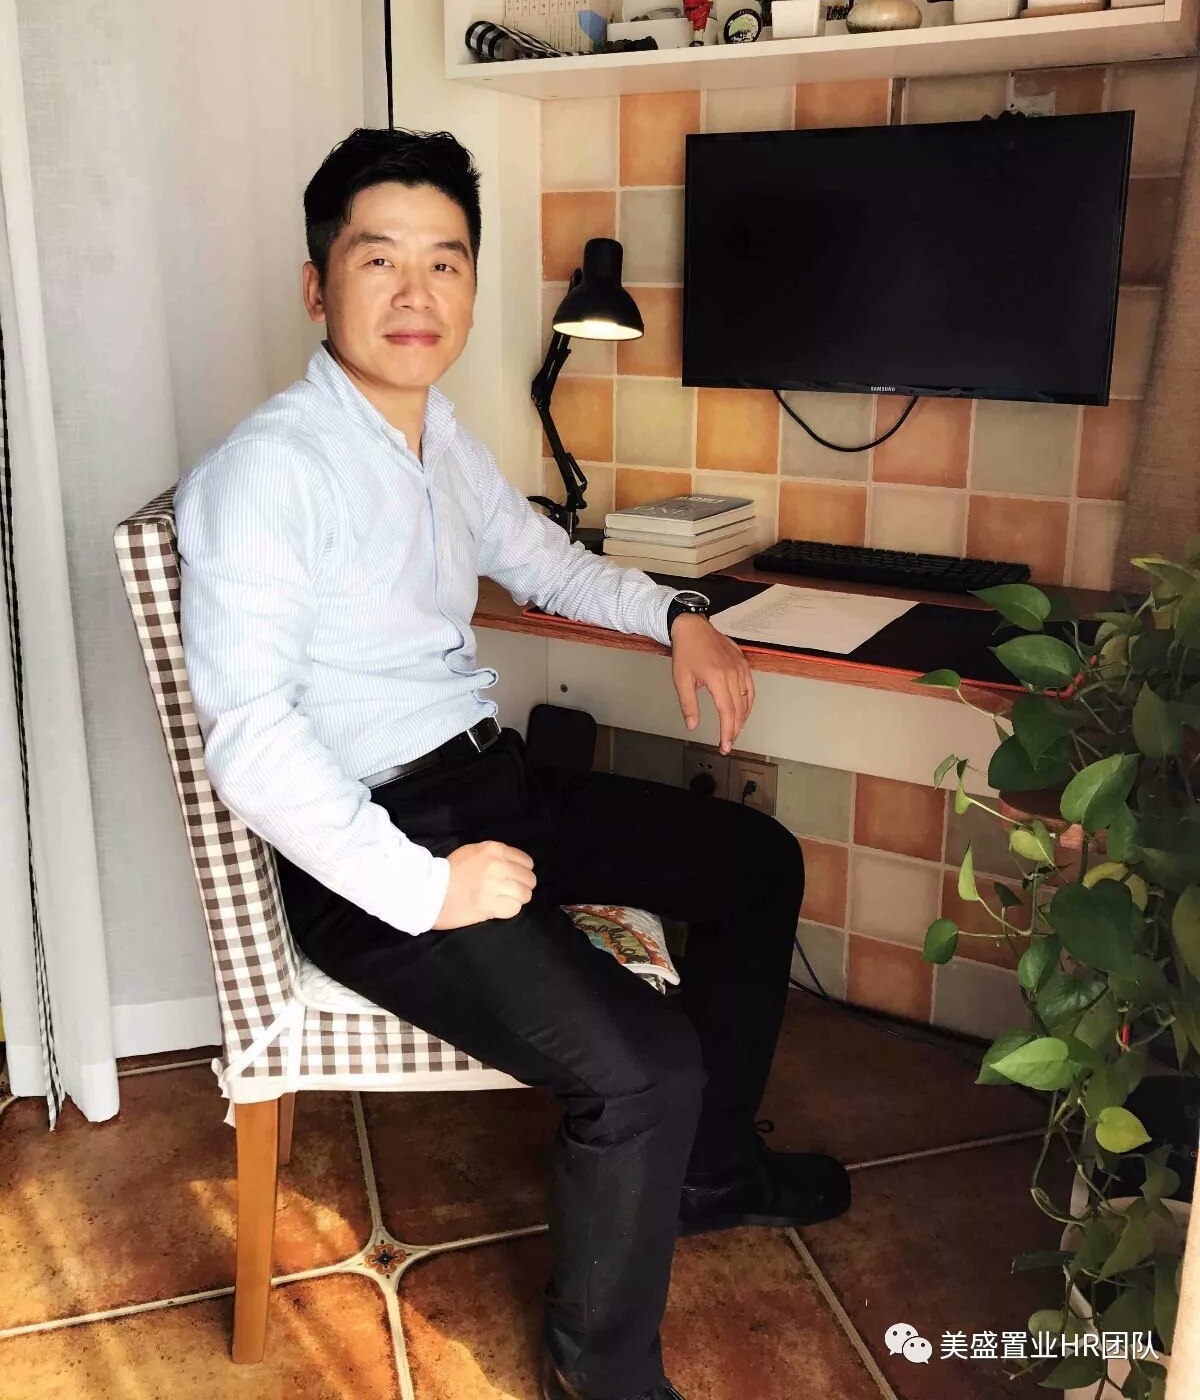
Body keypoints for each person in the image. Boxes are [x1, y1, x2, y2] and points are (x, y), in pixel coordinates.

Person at [175, 127, 850, 1400]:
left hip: (489, 786)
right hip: (381, 850)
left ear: (473, 287)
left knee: (755, 861)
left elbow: (542, 562)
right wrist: (428, 889)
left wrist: (678, 615)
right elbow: (252, 743)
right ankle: (601, 1373)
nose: (416, 292)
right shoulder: (268, 472)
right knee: (644, 1067)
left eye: (446, 261)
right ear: (318, 285)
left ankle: (709, 1173)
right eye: (379, 259)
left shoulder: (436, 436)